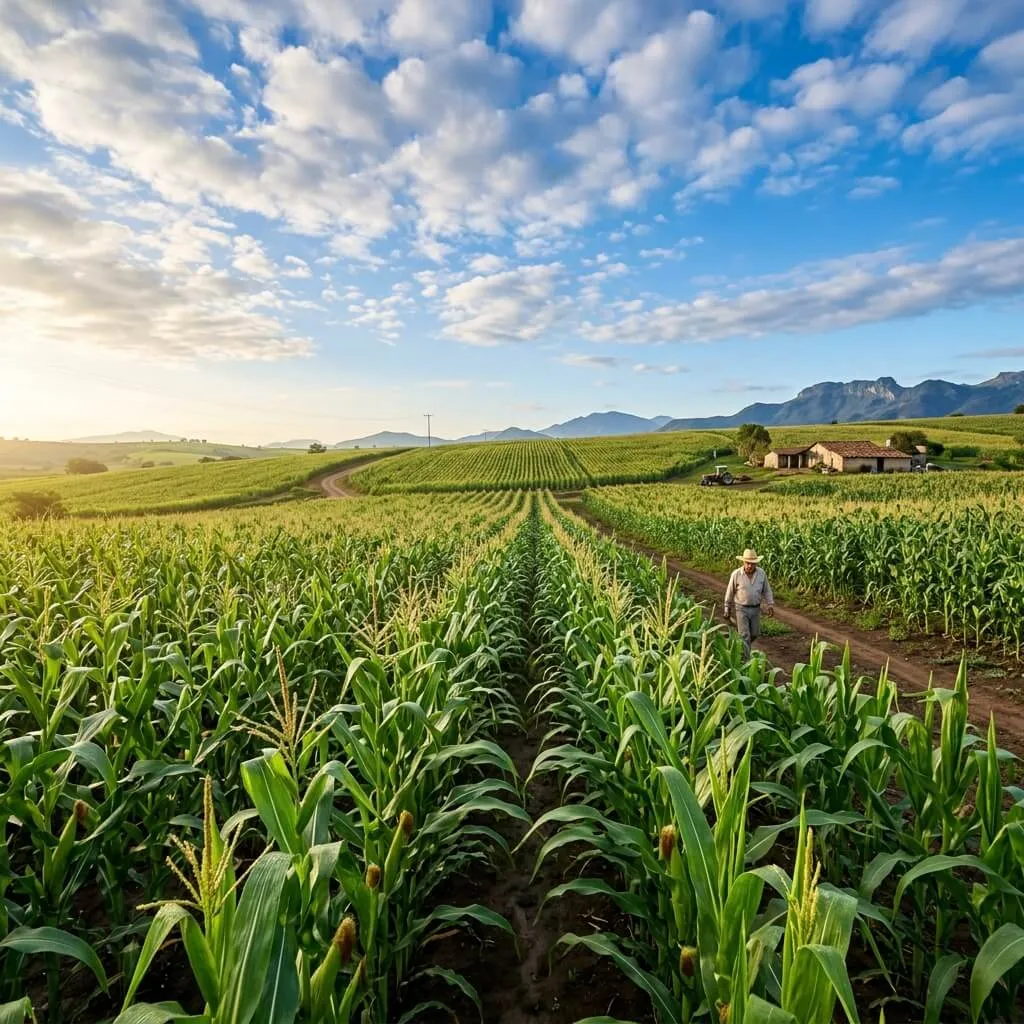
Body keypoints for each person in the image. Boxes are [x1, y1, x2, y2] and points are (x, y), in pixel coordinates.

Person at [723, 548, 774, 659]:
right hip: (741, 608)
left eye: (752, 563)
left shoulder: (761, 574)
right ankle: (746, 661)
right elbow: (729, 591)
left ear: (756, 563)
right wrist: (727, 607)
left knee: (754, 633)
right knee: (745, 635)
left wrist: (770, 604)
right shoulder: (736, 574)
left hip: (756, 609)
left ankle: (741, 647)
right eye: (747, 563)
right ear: (743, 562)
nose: (750, 566)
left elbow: (766, 590)